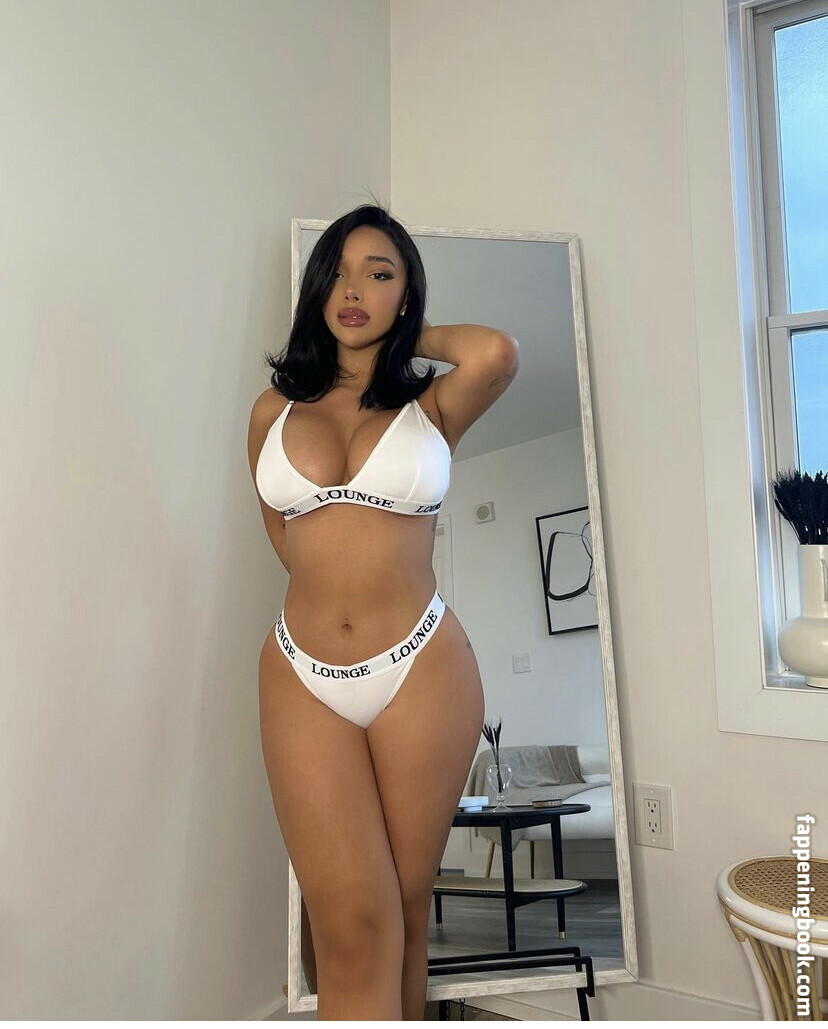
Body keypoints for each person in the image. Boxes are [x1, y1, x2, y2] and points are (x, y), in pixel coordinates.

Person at [247, 202, 519, 1020]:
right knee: (352, 924)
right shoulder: (271, 412)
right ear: (315, 289)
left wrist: (407, 334)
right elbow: (287, 540)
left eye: (379, 273)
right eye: (337, 273)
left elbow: (496, 351)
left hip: (421, 668)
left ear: (407, 293)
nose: (354, 290)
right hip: (301, 674)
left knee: (402, 906)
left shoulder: (431, 407)